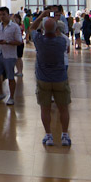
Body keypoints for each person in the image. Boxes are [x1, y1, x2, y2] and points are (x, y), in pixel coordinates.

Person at [29, 11, 72, 146]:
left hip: (43, 80)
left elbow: (31, 29)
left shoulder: (39, 41)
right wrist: (55, 23)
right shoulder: (61, 41)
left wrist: (41, 16)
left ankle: (49, 136)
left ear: (42, 29)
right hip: (60, 78)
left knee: (45, 108)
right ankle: (64, 135)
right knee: (63, 108)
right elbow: (57, 34)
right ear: (57, 30)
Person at [0, 7, 22, 105]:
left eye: (4, 14)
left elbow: (19, 41)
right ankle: (0, 93)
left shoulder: (15, 27)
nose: (2, 17)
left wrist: (7, 42)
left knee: (10, 76)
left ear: (8, 15)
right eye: (0, 15)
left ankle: (11, 97)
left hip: (10, 54)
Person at [13, 13, 25, 77]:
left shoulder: (20, 26)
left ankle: (20, 71)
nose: (15, 19)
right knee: (17, 58)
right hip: (16, 43)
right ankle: (19, 70)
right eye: (14, 18)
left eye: (16, 18)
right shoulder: (15, 26)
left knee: (18, 58)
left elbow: (20, 29)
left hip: (20, 43)